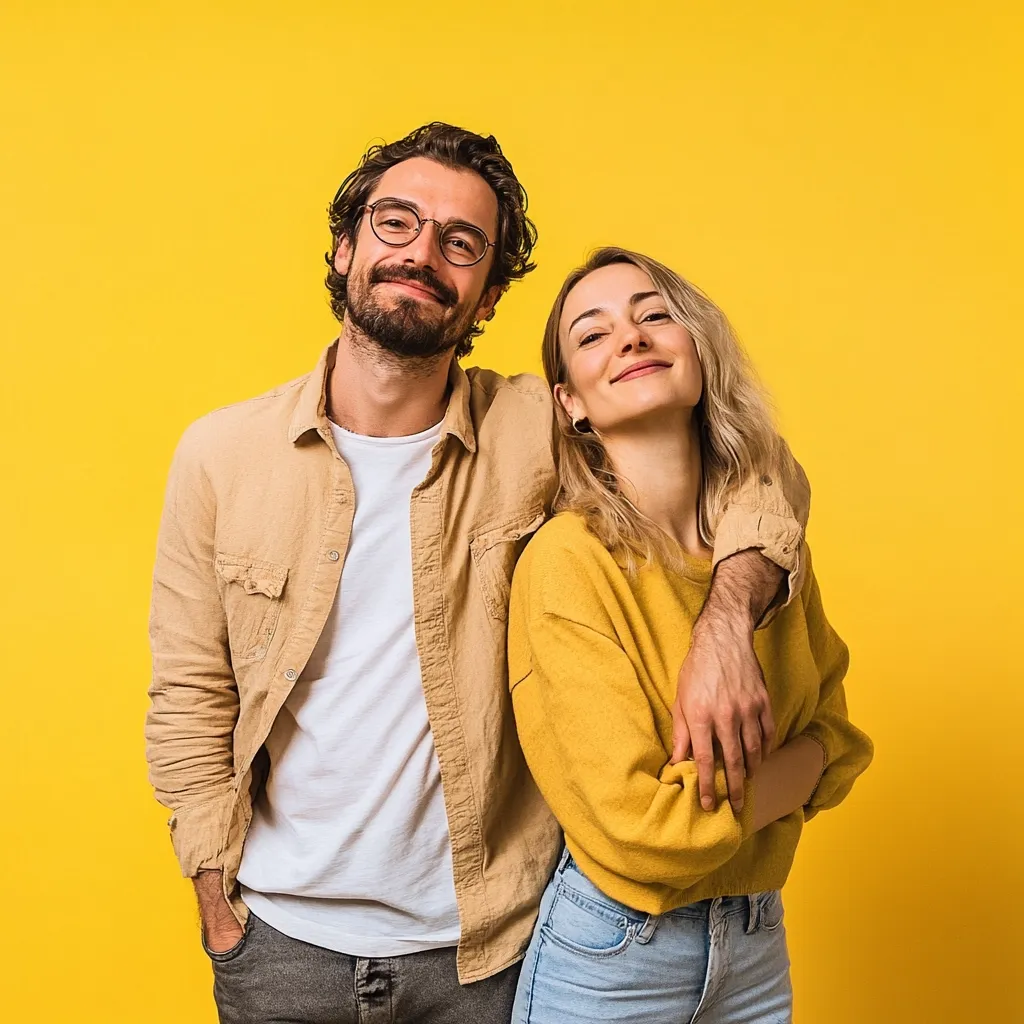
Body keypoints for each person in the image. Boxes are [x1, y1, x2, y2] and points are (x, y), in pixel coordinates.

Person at [145, 124, 812, 1024]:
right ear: (344, 248)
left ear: (489, 294)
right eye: (396, 222)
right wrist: (218, 911)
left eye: (461, 242)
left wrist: (728, 621)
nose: (421, 254)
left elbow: (752, 467)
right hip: (279, 948)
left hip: (487, 950)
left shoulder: (540, 426)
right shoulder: (222, 455)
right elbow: (190, 694)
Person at [508, 247, 873, 1024]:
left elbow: (843, 740)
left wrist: (745, 784)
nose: (631, 337)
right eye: (593, 333)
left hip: (756, 940)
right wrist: (796, 770)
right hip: (614, 954)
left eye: (654, 315)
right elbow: (644, 830)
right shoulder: (568, 562)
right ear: (571, 403)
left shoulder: (766, 553)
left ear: (698, 349)